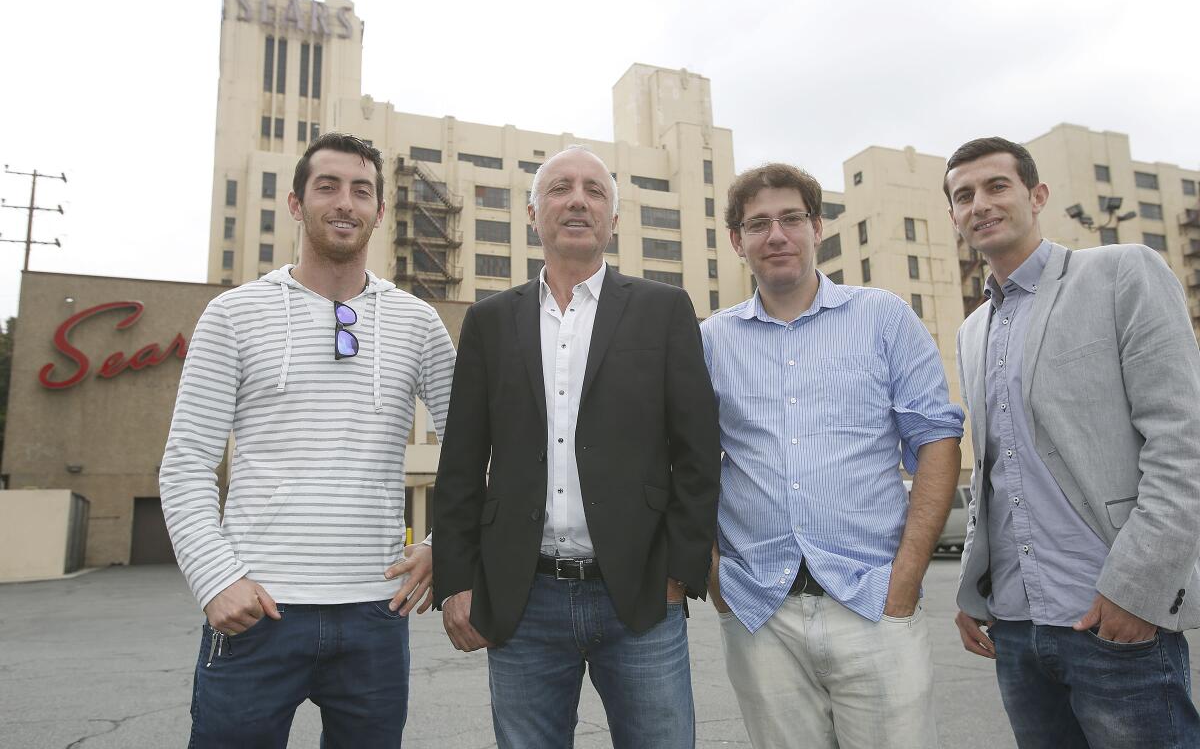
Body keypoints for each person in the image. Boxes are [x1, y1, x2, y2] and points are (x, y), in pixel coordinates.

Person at [160, 132, 456, 747]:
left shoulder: (417, 323)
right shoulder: (232, 315)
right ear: (296, 204)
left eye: (361, 190)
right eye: (327, 187)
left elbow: (472, 451)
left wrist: (444, 542)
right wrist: (215, 579)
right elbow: (186, 463)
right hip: (258, 610)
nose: (345, 202)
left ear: (378, 211)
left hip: (377, 614)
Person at [432, 145, 720, 748]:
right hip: (522, 597)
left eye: (595, 190)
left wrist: (680, 573)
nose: (578, 200)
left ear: (613, 219)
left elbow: (697, 450)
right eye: (560, 188)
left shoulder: (663, 311)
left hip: (641, 597)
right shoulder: (489, 322)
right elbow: (460, 463)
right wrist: (457, 581)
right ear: (534, 213)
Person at [947, 136, 1200, 748]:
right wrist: (974, 583)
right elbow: (995, 471)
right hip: (1013, 624)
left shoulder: (1120, 273)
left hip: (1110, 616)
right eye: (963, 195)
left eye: (996, 186)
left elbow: (1182, 443)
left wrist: (1137, 591)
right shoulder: (973, 330)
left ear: (1037, 196)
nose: (980, 203)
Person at [701, 162, 964, 749]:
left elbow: (936, 440)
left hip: (873, 600)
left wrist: (906, 579)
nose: (776, 235)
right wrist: (715, 575)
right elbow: (686, 460)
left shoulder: (884, 318)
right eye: (758, 223)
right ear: (738, 240)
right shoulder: (712, 340)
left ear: (817, 227)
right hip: (759, 608)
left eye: (791, 218)